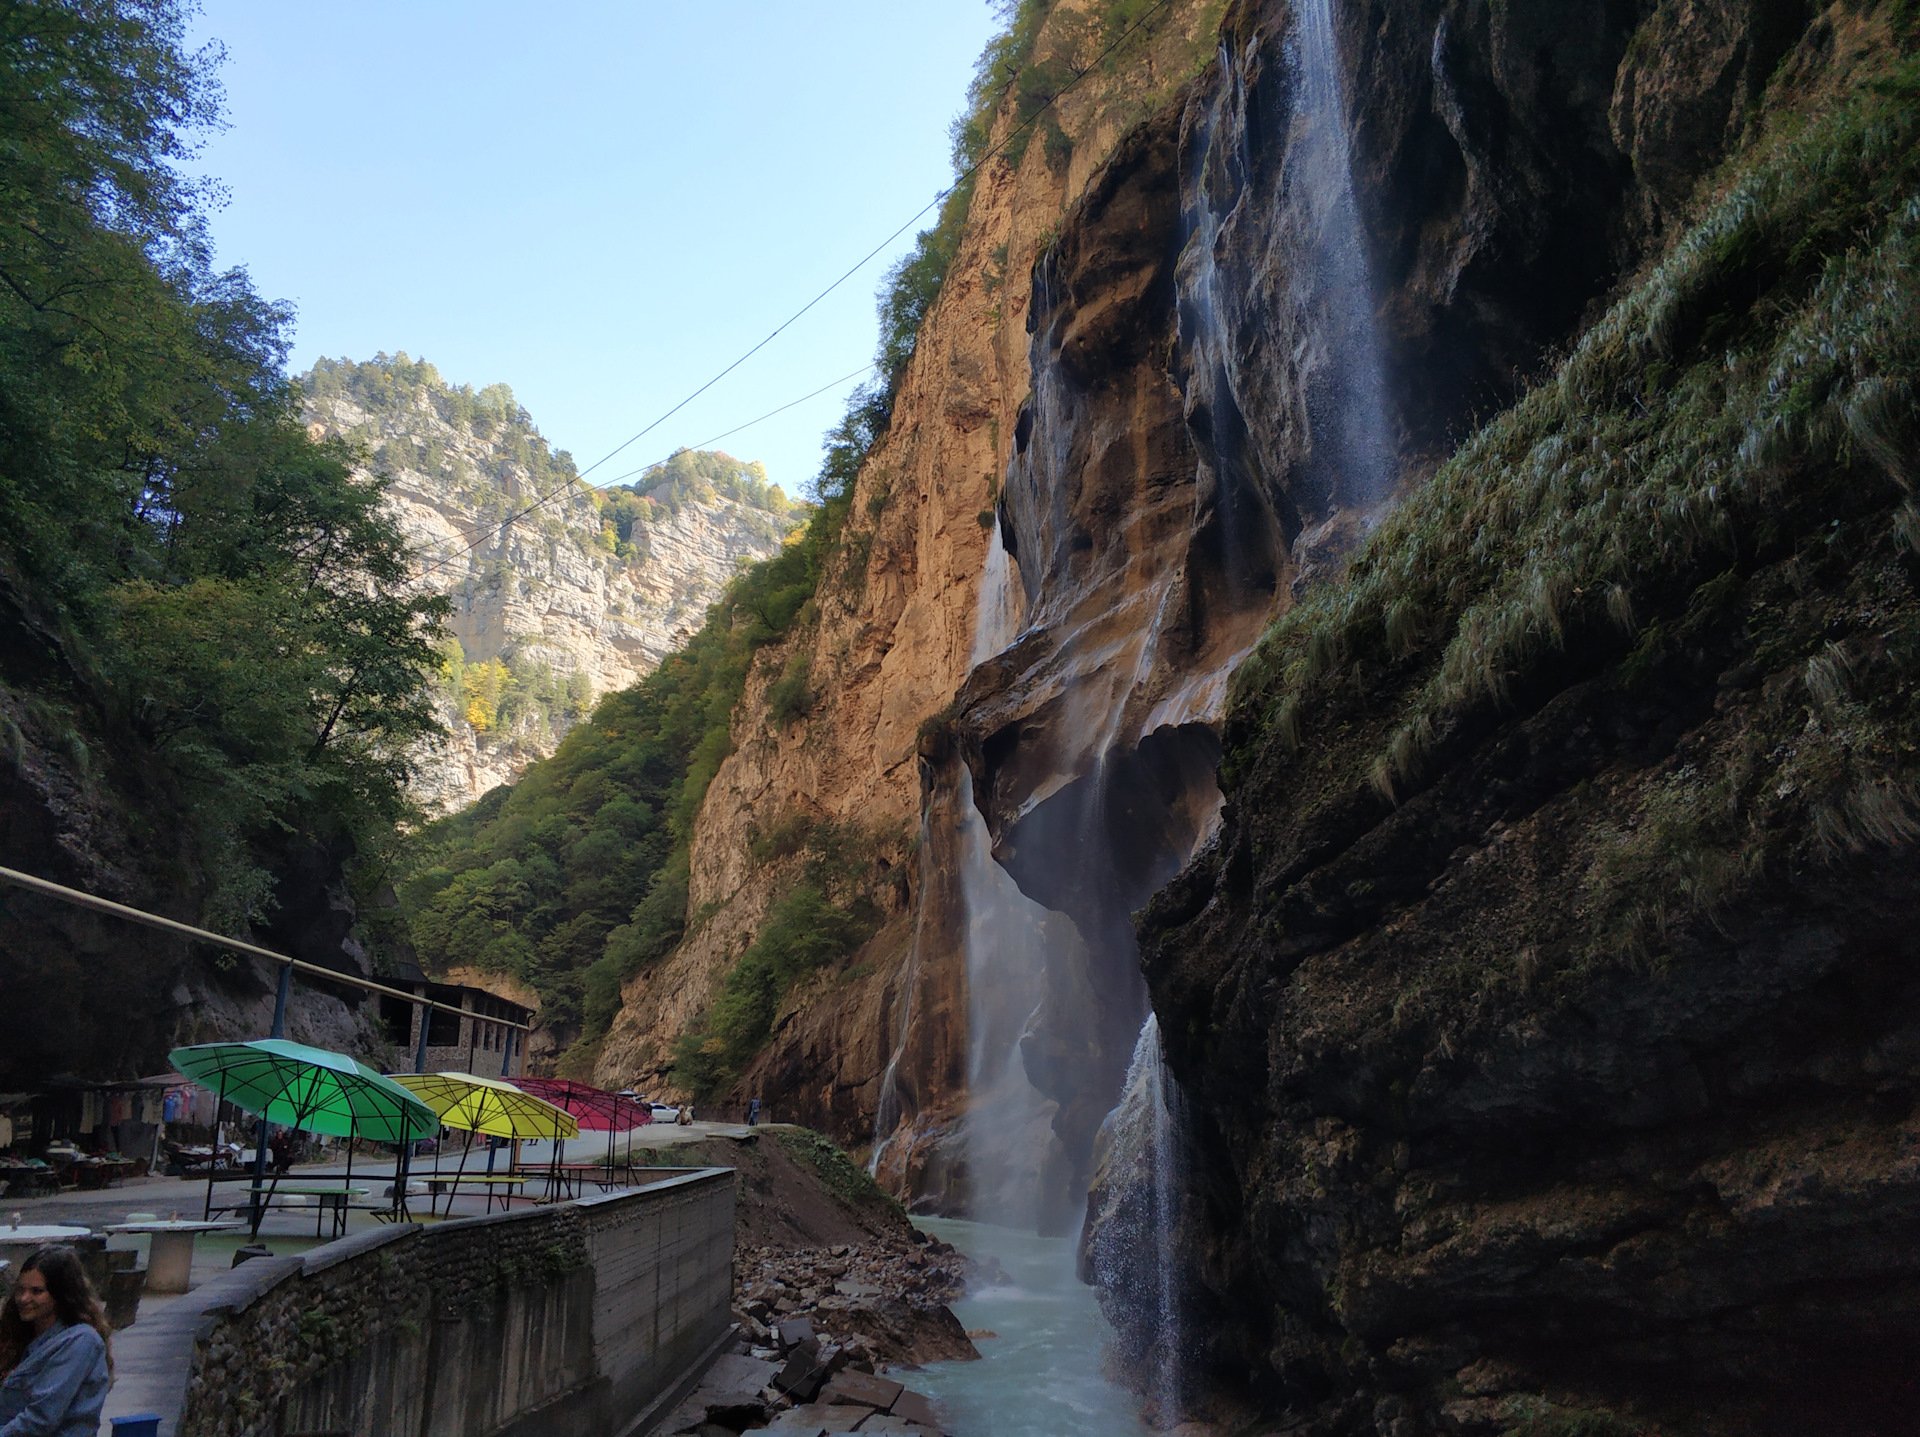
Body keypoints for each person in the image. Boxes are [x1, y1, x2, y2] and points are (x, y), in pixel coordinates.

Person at [0, 1245, 111, 1437]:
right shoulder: (24, 1335)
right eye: (20, 1290)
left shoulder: (80, 1341)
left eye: (36, 1291)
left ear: (60, 1294)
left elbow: (41, 1418)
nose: (24, 1298)